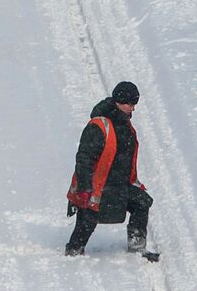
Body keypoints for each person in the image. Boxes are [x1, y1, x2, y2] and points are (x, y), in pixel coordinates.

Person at [64, 81, 154, 257]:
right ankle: (73, 251)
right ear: (119, 101)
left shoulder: (126, 125)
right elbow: (84, 159)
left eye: (135, 104)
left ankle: (137, 248)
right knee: (87, 220)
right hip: (96, 186)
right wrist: (84, 188)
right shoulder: (98, 126)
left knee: (142, 202)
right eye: (130, 104)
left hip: (120, 185)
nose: (133, 108)